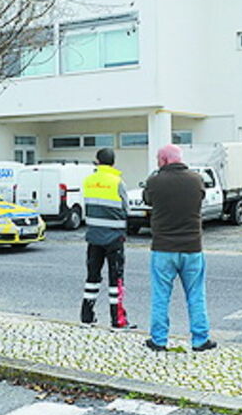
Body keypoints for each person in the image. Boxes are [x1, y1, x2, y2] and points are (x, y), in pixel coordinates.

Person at [142, 144, 215, 352]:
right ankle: (201, 340)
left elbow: (148, 200)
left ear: (164, 160)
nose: (157, 162)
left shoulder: (155, 182)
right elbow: (200, 198)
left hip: (163, 248)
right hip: (192, 247)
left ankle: (159, 340)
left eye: (158, 158)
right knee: (196, 294)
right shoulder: (196, 180)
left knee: (161, 296)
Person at [80, 148, 133, 329]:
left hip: (94, 236)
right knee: (115, 279)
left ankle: (86, 317)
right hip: (114, 237)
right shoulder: (117, 182)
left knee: (92, 277)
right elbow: (126, 209)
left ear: (97, 161)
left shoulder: (88, 181)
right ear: (113, 162)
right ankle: (117, 321)